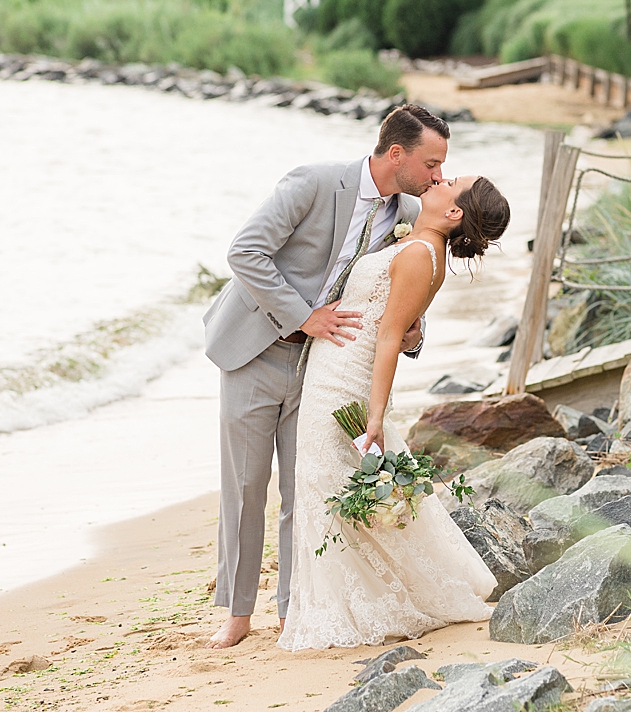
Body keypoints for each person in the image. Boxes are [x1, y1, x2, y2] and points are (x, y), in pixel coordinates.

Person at [202, 104, 451, 649]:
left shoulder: (409, 212)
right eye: (431, 164)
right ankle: (239, 615)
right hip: (256, 351)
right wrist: (303, 315)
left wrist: (413, 330)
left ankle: (292, 611)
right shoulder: (313, 183)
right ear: (396, 154)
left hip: (322, 369)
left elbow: (402, 283)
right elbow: (245, 252)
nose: (437, 177)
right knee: (245, 487)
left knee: (304, 489)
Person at [280, 175, 511, 650]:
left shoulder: (416, 254)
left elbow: (389, 337)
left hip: (344, 376)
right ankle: (361, 596)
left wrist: (375, 417)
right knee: (331, 486)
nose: (440, 179)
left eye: (451, 182)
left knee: (327, 485)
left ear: (453, 214)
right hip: (338, 365)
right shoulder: (424, 250)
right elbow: (397, 322)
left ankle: (362, 605)